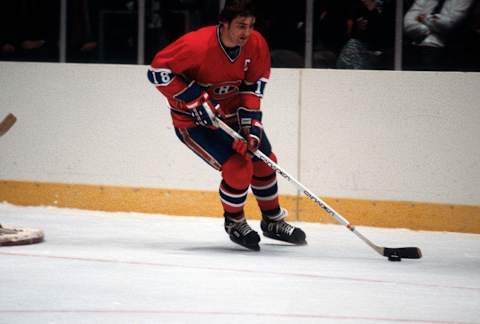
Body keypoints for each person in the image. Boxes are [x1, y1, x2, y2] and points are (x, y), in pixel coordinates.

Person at [147, 0, 306, 251]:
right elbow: (157, 72)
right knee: (238, 168)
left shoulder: (256, 44)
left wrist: (251, 125)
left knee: (265, 160)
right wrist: (192, 97)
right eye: (241, 26)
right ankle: (234, 222)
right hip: (195, 122)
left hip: (231, 114)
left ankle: (273, 221)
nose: (247, 32)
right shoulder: (196, 45)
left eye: (251, 25)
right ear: (223, 24)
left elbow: (252, 88)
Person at [403, 0, 474, 71]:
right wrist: (427, 29)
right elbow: (408, 24)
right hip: (417, 45)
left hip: (446, 50)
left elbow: (448, 25)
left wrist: (423, 18)